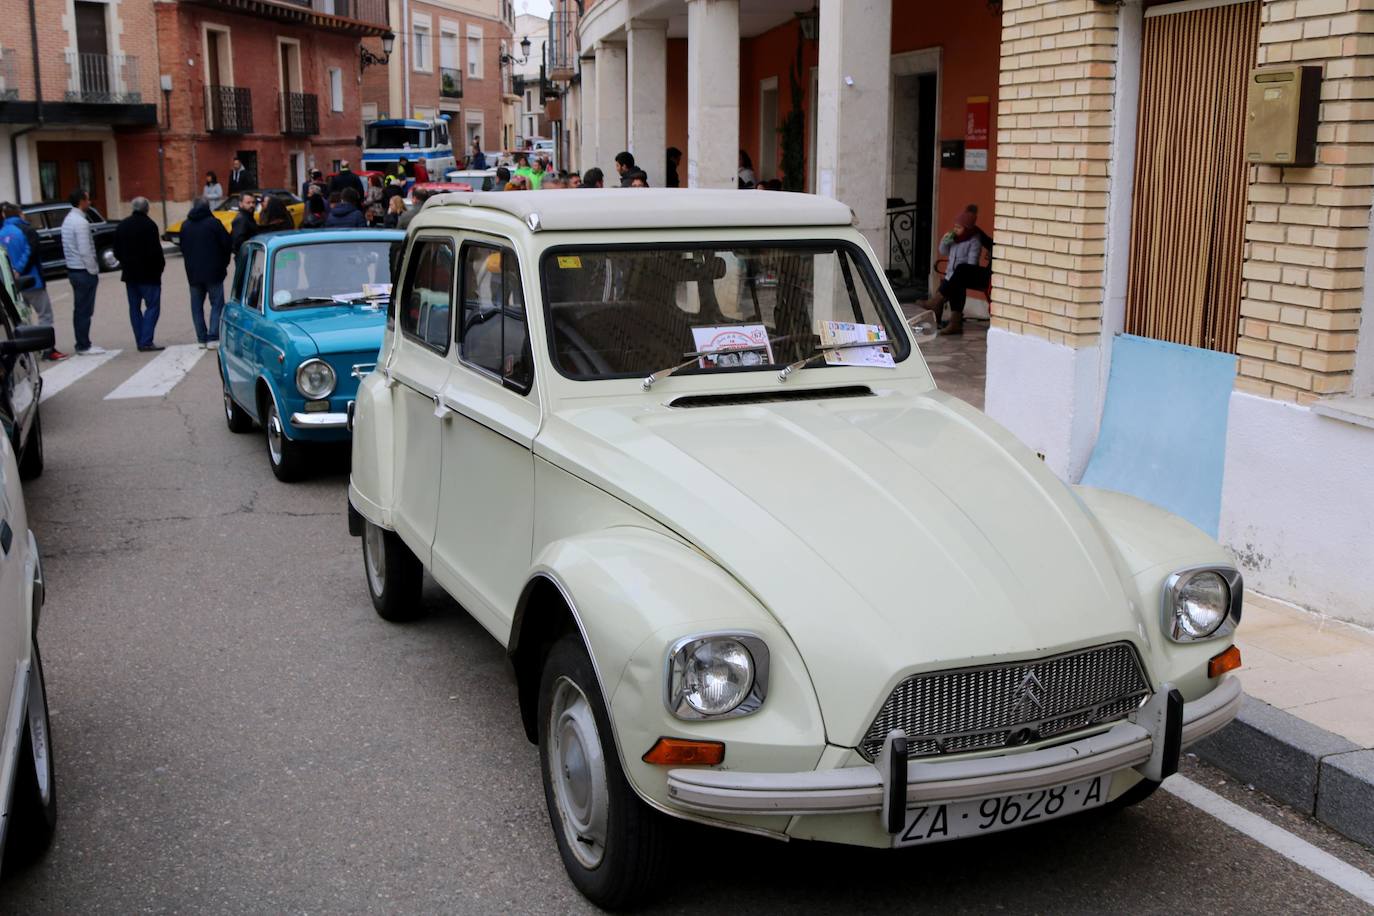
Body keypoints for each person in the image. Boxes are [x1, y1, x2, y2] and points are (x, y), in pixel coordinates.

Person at [0, 203, 66, 360]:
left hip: (10, 286)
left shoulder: (2, 231)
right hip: (32, 281)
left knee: (21, 316)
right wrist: (18, 270)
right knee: (45, 315)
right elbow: (31, 251)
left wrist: (11, 274)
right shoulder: (26, 230)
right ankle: (47, 349)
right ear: (19, 214)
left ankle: (26, 351)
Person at [923, 205, 993, 336]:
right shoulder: (957, 239)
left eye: (959, 227)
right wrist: (945, 241)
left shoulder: (974, 239)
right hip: (967, 273)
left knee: (961, 272)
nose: (955, 229)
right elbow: (943, 251)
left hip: (989, 276)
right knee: (958, 278)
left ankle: (937, 301)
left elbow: (973, 262)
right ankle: (953, 322)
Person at [112, 196, 165, 352]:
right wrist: (160, 268)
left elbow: (116, 251)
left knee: (134, 308)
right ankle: (146, 340)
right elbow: (156, 251)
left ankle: (140, 338)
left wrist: (125, 262)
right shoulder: (150, 226)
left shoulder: (122, 226)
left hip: (130, 274)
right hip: (149, 274)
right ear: (147, 209)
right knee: (153, 306)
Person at [178, 197, 231, 349]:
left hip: (193, 272)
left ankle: (201, 337)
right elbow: (226, 244)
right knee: (217, 303)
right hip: (214, 271)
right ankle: (213, 336)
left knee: (196, 306)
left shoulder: (185, 225)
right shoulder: (213, 223)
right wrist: (224, 263)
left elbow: (182, 247)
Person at [61, 189, 104, 355]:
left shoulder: (69, 220)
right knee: (85, 310)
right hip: (83, 271)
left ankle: (82, 342)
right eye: (88, 199)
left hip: (73, 269)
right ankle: (83, 344)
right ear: (81, 201)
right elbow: (85, 250)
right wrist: (93, 270)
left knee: (79, 309)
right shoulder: (81, 223)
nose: (90, 202)